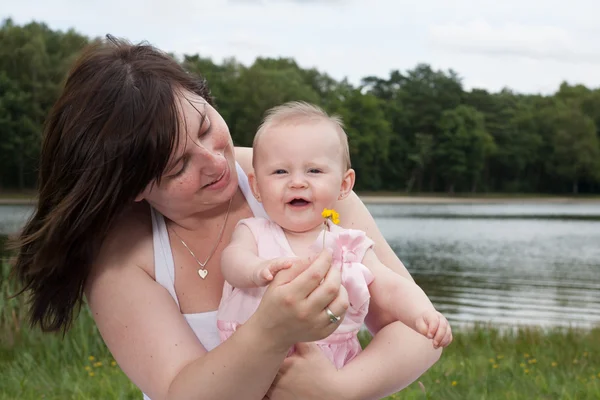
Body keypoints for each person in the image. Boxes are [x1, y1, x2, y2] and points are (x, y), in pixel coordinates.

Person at [10, 36, 444, 400]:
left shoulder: (296, 179)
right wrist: (271, 332)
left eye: (204, 128)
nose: (215, 162)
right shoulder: (122, 256)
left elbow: (419, 328)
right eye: (178, 166)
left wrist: (340, 389)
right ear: (133, 186)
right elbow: (181, 391)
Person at [217, 102, 452, 369]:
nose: (297, 182)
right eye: (281, 171)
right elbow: (232, 261)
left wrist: (423, 313)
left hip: (330, 365)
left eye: (314, 170)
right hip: (253, 364)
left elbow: (390, 286)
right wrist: (256, 270)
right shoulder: (254, 232)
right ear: (257, 187)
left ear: (343, 185)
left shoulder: (349, 244)